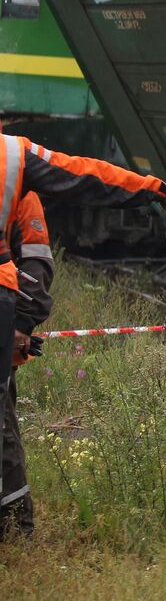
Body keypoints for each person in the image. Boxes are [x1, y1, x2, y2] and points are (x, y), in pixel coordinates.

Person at [0, 131, 166, 539]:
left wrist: (23, 321)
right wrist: (154, 190)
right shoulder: (11, 153)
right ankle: (14, 527)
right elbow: (85, 175)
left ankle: (15, 526)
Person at [1, 193, 52, 537]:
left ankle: (16, 525)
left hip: (4, 326)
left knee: (3, 430)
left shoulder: (20, 193)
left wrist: (22, 324)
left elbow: (37, 265)